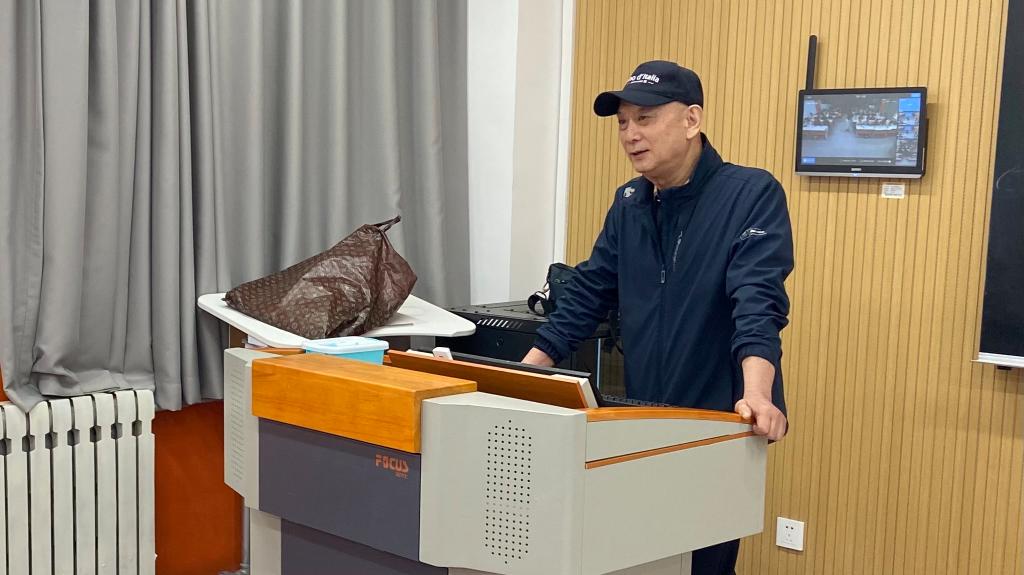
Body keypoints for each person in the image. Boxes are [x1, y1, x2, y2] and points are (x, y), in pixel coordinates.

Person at [522, 60, 794, 575]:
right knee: (645, 559)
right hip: (643, 422)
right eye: (623, 122)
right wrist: (525, 374)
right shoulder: (629, 203)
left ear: (691, 120)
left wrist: (758, 393)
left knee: (704, 563)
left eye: (645, 118)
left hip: (718, 423)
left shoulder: (750, 193)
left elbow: (757, 301)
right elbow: (588, 294)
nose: (630, 134)